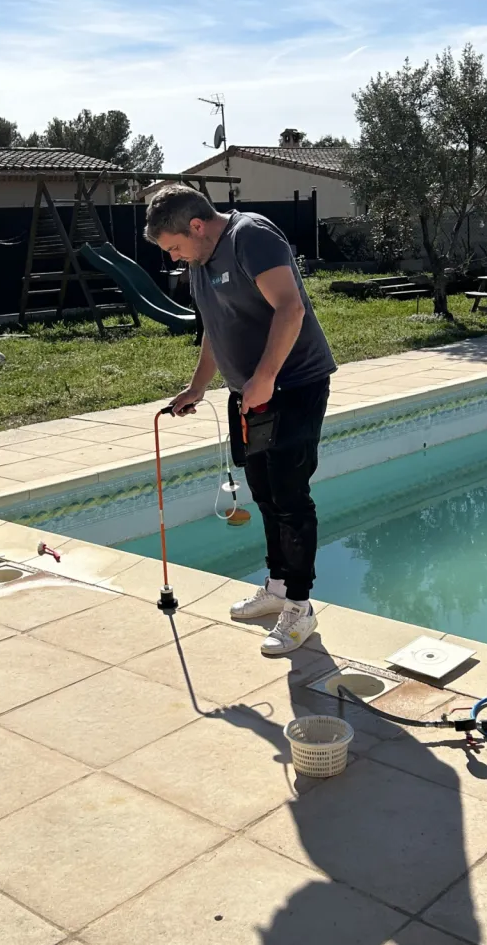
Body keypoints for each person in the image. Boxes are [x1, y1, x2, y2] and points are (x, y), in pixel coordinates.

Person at [144, 185, 336, 656]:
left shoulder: (252, 237)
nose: (173, 257)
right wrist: (198, 387)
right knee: (264, 490)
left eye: (173, 246)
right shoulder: (199, 260)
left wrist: (266, 376)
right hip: (250, 392)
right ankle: (276, 587)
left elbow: (291, 308)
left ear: (196, 225)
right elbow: (215, 324)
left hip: (293, 385)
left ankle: (300, 606)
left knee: (290, 495)